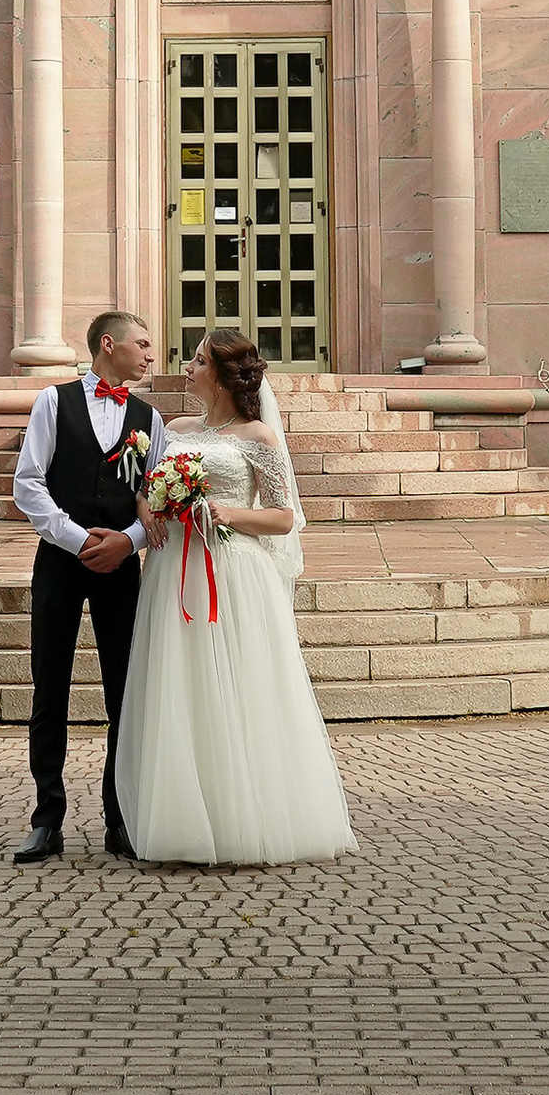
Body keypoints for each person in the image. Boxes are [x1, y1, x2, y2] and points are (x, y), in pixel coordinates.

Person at [116, 326, 355, 867]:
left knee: (235, 685)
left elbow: (283, 516)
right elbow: (147, 490)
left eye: (199, 362)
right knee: (179, 685)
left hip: (232, 571)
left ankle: (243, 817)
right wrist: (150, 513)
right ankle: (182, 817)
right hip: (172, 570)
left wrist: (228, 514)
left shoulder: (259, 438)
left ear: (222, 376)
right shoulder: (173, 430)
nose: (189, 368)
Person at [10, 308, 166, 864]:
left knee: (124, 692)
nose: (151, 355)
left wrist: (127, 541)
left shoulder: (150, 418)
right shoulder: (53, 403)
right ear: (109, 344)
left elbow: (159, 498)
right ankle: (46, 818)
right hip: (59, 560)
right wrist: (78, 540)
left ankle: (118, 817)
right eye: (142, 344)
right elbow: (28, 484)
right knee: (48, 688)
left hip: (121, 567)